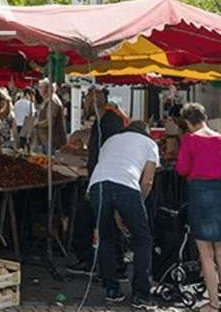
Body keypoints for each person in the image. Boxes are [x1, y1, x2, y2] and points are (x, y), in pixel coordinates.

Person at [88, 121, 159, 308]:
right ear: (147, 132)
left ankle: (111, 289)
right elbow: (148, 181)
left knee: (107, 238)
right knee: (142, 239)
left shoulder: (111, 140)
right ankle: (141, 294)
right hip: (127, 185)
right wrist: (138, 204)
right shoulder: (150, 143)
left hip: (98, 186)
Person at [176, 103, 221, 312]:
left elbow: (182, 168)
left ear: (188, 121)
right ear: (205, 117)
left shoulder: (190, 140)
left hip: (200, 194)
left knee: (205, 254)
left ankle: (213, 303)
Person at [66, 86, 129, 274]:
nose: (84, 102)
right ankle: (112, 264)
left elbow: (109, 151)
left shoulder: (110, 121)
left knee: (93, 219)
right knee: (96, 219)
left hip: (105, 178)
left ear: (96, 98)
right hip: (100, 176)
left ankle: (108, 265)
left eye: (86, 98)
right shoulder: (104, 120)